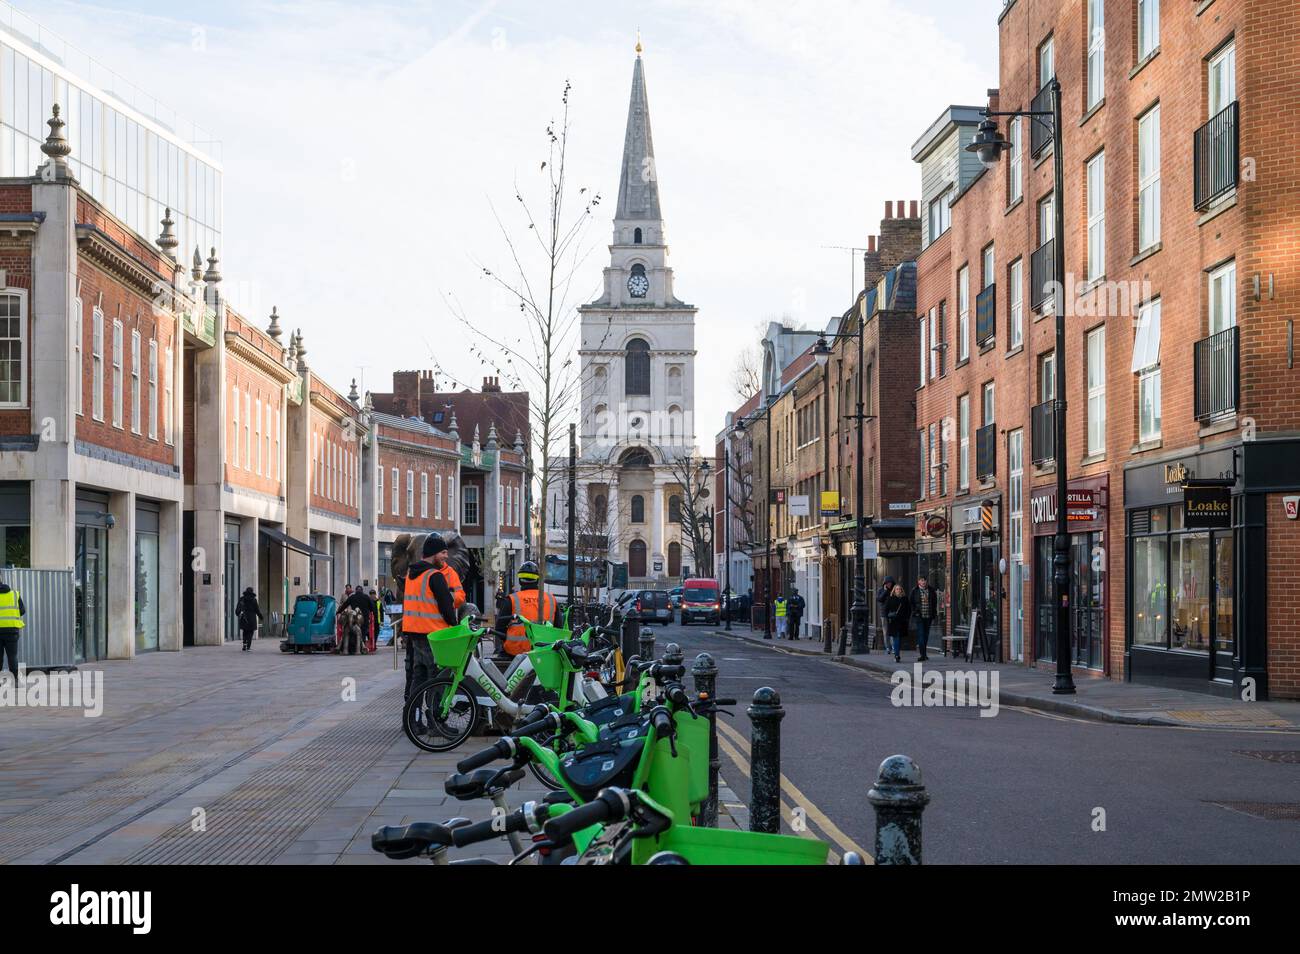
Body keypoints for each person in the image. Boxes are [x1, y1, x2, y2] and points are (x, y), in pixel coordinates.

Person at [402, 533, 466, 723]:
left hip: (414, 635)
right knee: (437, 680)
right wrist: (455, 629)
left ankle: (413, 721)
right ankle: (436, 723)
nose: (446, 557)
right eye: (443, 553)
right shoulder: (435, 576)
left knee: (418, 680)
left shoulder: (411, 575)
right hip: (434, 635)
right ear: (434, 553)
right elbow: (447, 607)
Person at [502, 561, 561, 656]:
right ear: (537, 580)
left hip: (515, 653)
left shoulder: (512, 599)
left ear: (520, 580)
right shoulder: (551, 599)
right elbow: (558, 628)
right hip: (544, 652)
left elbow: (499, 627)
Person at [0, 574, 26, 681]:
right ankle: (16, 680)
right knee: (12, 656)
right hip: (12, 631)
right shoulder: (15, 594)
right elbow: (23, 610)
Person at [340, 585, 378, 653]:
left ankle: (352, 648)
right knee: (362, 633)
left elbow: (344, 605)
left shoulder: (352, 597)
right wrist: (374, 615)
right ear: (362, 591)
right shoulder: (366, 597)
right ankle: (361, 648)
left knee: (351, 633)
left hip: (354, 618)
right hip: (364, 619)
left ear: (356, 591)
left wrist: (338, 612)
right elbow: (372, 608)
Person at [909, 576, 938, 662]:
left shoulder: (931, 590)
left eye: (925, 580)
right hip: (919, 616)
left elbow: (934, 602)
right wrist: (915, 612)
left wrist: (934, 613)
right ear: (918, 582)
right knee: (921, 635)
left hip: (928, 616)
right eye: (922, 580)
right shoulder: (915, 591)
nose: (923, 582)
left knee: (926, 635)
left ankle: (924, 654)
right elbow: (911, 603)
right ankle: (922, 654)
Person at [883, 583, 911, 663]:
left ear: (902, 591)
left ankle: (897, 653)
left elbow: (909, 610)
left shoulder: (905, 599)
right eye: (897, 589)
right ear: (894, 591)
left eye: (900, 589)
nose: (898, 590)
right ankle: (897, 655)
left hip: (902, 622)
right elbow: (886, 610)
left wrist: (907, 618)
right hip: (893, 622)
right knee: (896, 638)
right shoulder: (890, 598)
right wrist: (888, 618)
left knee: (899, 639)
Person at [236, 587, 262, 652]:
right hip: (252, 618)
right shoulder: (254, 600)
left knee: (245, 631)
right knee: (250, 632)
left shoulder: (242, 599)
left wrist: (237, 613)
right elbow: (257, 610)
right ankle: (248, 646)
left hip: (244, 617)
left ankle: (244, 644)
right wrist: (261, 617)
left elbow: (238, 608)